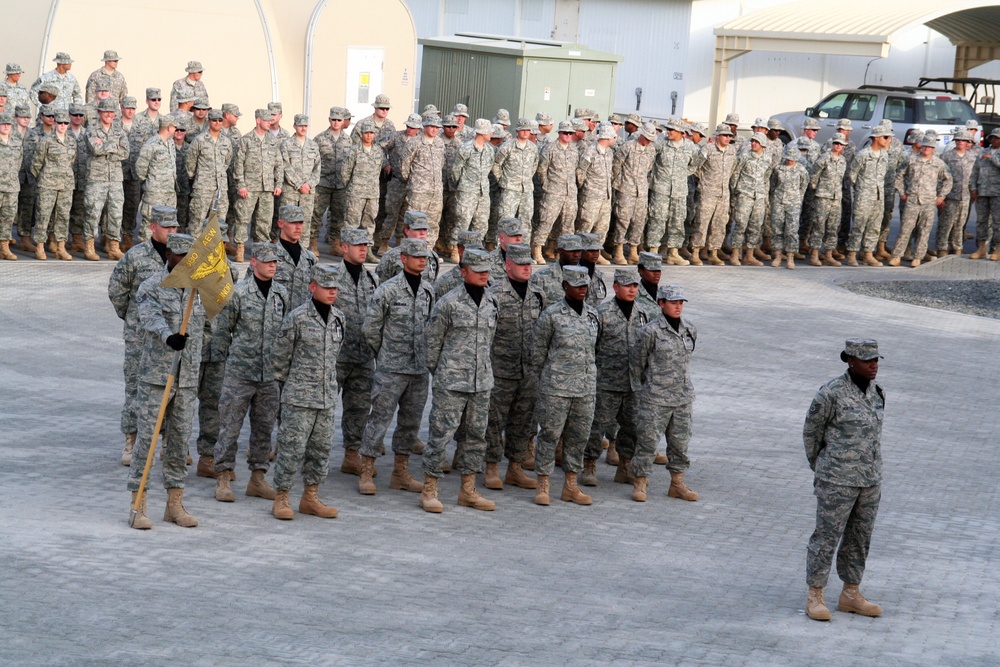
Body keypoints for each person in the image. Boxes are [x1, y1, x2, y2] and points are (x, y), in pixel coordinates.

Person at [126, 232, 205, 529]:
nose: (185, 262)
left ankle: (174, 503)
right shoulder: (152, 286)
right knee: (146, 440)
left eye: (190, 257)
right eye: (180, 256)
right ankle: (138, 505)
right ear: (169, 255)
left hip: (186, 378)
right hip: (158, 376)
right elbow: (149, 318)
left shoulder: (197, 288)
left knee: (179, 441)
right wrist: (168, 337)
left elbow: (208, 326)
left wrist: (194, 351)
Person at [803, 339, 885, 621]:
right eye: (867, 360)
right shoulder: (831, 393)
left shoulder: (877, 393)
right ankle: (815, 595)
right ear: (851, 361)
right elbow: (811, 434)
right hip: (836, 479)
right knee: (826, 537)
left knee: (859, 538)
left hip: (869, 479)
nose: (874, 365)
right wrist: (823, 468)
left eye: (876, 360)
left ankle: (851, 593)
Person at [420, 248, 500, 512]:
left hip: (481, 383)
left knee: (476, 438)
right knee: (440, 436)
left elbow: (490, 341)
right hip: (451, 383)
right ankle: (429, 489)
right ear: (464, 272)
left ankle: (468, 490)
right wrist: (443, 373)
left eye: (486, 271)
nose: (483, 275)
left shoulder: (492, 302)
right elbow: (431, 345)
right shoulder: (448, 303)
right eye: (477, 271)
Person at [358, 238, 435, 496]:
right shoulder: (388, 290)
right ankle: (366, 471)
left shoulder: (428, 291)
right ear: (404, 259)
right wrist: (385, 353)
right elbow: (371, 328)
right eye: (416, 256)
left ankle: (400, 473)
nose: (422, 260)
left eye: (424, 257)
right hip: (391, 369)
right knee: (378, 420)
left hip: (418, 370)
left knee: (410, 424)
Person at [212, 243, 288, 501]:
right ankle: (223, 477)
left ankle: (258, 478)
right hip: (240, 374)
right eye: (267, 262)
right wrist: (228, 366)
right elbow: (223, 332)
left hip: (269, 376)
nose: (272, 266)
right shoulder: (239, 293)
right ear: (253, 263)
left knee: (264, 428)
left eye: (275, 262)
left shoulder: (281, 294)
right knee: (229, 428)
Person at [269, 263, 346, 520]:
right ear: (313, 287)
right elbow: (279, 359)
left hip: (326, 398)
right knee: (291, 448)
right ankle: (282, 497)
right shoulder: (297, 318)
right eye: (326, 287)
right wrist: (293, 385)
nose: (332, 292)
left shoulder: (338, 318)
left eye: (335, 287)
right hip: (299, 398)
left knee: (321, 449)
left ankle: (311, 497)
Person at [108, 206, 178, 465]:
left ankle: (169, 442)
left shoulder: (182, 258)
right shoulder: (136, 256)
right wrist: (132, 317)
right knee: (136, 388)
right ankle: (132, 440)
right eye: (167, 227)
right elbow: (117, 290)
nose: (172, 232)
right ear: (153, 226)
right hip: (141, 337)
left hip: (172, 336)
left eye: (175, 227)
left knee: (172, 389)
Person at [531, 265, 600, 506]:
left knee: (578, 437)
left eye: (585, 285)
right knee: (550, 435)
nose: (582, 289)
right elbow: (538, 352)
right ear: (564, 286)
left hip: (585, 389)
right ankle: (543, 484)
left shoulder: (593, 315)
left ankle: (571, 485)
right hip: (556, 389)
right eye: (577, 285)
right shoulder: (551, 315)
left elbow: (595, 350)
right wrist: (547, 380)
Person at [630, 284, 699, 503]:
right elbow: (638, 363)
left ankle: (677, 483)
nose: (678, 307)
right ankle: (640, 482)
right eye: (673, 302)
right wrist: (645, 389)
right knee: (647, 442)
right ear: (661, 304)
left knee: (680, 443)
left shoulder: (689, 328)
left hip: (682, 398)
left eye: (681, 303)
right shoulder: (650, 331)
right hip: (656, 398)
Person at [484, 243, 542, 491]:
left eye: (529, 264)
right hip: (500, 372)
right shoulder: (495, 294)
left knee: (522, 422)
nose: (526, 268)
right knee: (494, 423)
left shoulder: (537, 295)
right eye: (521, 264)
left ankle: (515, 469)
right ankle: (491, 468)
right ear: (508, 266)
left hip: (528, 372)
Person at [335, 228, 380, 477]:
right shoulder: (332, 276)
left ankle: (352, 454)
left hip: (363, 356)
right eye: (358, 245)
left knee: (359, 408)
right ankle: (307, 452)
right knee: (322, 407)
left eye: (365, 245)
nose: (363, 249)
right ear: (344, 247)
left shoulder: (371, 279)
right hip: (337, 356)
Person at [889, 130, 952, 268]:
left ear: (933, 148)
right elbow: (899, 176)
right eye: (924, 146)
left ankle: (918, 257)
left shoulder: (938, 163)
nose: (926, 148)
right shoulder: (911, 160)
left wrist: (941, 196)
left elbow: (948, 180)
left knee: (924, 231)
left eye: (929, 146)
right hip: (912, 201)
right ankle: (897, 256)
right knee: (905, 229)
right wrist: (902, 193)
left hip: (929, 202)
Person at [82, 98, 129, 260]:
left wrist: (105, 145)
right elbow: (95, 149)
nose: (109, 114)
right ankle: (89, 246)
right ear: (99, 112)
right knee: (93, 213)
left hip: (115, 179)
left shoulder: (119, 130)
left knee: (116, 214)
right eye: (106, 111)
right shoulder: (91, 129)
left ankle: (113, 246)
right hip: (96, 178)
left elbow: (125, 152)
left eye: (111, 112)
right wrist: (113, 146)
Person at [234, 109, 283, 252]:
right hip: (249, 186)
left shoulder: (272, 141)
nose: (270, 122)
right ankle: (240, 247)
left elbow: (278, 164)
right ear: (258, 120)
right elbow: (238, 164)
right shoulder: (246, 140)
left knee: (265, 220)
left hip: (267, 187)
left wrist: (278, 184)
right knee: (243, 217)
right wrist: (241, 185)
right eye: (266, 120)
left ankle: (261, 247)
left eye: (270, 120)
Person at [31, 110, 77, 260]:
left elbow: (72, 161)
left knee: (63, 216)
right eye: (60, 122)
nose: (63, 125)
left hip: (66, 185)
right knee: (43, 215)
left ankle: (61, 248)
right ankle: (39, 247)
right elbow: (36, 163)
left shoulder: (71, 141)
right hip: (47, 184)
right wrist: (44, 178)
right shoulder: (46, 141)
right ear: (55, 123)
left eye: (65, 123)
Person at [610, 121, 656, 265]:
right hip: (626, 190)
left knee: (639, 221)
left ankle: (633, 251)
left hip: (641, 191)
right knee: (623, 221)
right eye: (647, 138)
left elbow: (649, 168)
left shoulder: (651, 150)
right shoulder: (627, 147)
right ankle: (618, 250)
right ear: (641, 134)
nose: (648, 142)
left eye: (651, 140)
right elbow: (616, 167)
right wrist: (619, 185)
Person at [533, 120, 579, 263]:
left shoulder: (574, 150)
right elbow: (541, 169)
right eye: (565, 132)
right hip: (553, 192)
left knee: (568, 225)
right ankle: (537, 249)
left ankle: (564, 253)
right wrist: (546, 185)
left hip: (570, 193)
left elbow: (576, 170)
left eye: (570, 133)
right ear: (559, 133)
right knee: (546, 221)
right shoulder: (550, 148)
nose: (567, 135)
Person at [449, 118, 495, 262]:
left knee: (481, 223)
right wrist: (460, 186)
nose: (491, 133)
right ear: (482, 132)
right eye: (489, 131)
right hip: (467, 191)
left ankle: (475, 250)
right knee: (463, 221)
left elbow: (490, 168)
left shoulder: (489, 149)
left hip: (483, 192)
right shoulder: (466, 148)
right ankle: (455, 249)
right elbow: (456, 170)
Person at [846, 125, 891, 267]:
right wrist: (861, 189)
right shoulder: (863, 155)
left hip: (878, 196)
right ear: (876, 138)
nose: (888, 140)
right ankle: (852, 254)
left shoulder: (884, 155)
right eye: (885, 137)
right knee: (859, 226)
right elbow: (852, 174)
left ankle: (868, 254)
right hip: (864, 196)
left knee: (874, 226)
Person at [692, 124, 737, 265]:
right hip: (708, 193)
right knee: (702, 223)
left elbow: (732, 169)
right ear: (717, 135)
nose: (728, 138)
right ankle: (695, 252)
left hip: (724, 193)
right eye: (725, 135)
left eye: (729, 136)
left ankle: (713, 253)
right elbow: (695, 167)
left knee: (719, 224)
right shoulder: (708, 149)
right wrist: (705, 182)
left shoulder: (732, 151)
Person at [341, 118, 386, 259]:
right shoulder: (354, 151)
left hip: (372, 193)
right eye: (366, 132)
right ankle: (348, 250)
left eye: (371, 133)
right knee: (352, 223)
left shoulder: (378, 151)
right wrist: (351, 187)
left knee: (369, 223)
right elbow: (345, 172)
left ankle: (368, 251)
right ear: (361, 134)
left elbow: (379, 169)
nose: (369, 135)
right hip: (356, 193)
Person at [185, 108, 233, 237]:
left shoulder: (226, 142)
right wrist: (198, 178)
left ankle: (212, 252)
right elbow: (190, 163)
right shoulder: (199, 140)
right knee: (197, 220)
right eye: (214, 120)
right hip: (202, 188)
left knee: (219, 222)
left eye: (220, 120)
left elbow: (226, 163)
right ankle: (193, 253)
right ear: (209, 121)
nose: (217, 123)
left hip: (220, 189)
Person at [312, 106, 353, 254]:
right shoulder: (320, 139)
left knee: (338, 215)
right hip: (323, 183)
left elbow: (350, 163)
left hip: (340, 184)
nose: (336, 122)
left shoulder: (348, 140)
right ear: (329, 120)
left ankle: (335, 245)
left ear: (343, 121)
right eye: (333, 119)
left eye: (339, 120)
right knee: (316, 214)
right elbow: (313, 162)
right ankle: (313, 244)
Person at [729, 132, 773, 266]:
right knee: (741, 224)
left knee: (755, 226)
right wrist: (735, 192)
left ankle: (749, 255)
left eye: (756, 142)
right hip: (744, 195)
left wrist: (764, 195)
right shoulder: (744, 157)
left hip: (759, 196)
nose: (753, 144)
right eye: (752, 141)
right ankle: (735, 254)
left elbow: (766, 177)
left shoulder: (767, 159)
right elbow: (735, 175)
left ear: (763, 144)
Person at [401, 115, 446, 247]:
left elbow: (441, 164)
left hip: (436, 191)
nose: (434, 130)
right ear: (425, 126)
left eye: (437, 127)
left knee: (433, 222)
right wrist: (414, 183)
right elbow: (405, 166)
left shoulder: (439, 143)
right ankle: (412, 249)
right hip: (418, 191)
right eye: (432, 126)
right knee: (414, 222)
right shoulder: (414, 143)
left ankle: (429, 250)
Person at [808, 133, 848, 267]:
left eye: (841, 144)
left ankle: (829, 254)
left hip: (836, 198)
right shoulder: (824, 158)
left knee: (833, 227)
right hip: (823, 197)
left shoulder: (842, 161)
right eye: (836, 143)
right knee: (819, 226)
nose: (838, 146)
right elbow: (814, 175)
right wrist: (816, 189)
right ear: (832, 144)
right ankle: (814, 254)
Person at [279, 114, 321, 241]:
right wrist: (299, 184)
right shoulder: (286, 144)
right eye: (300, 125)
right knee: (288, 220)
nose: (303, 128)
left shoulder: (313, 145)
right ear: (294, 126)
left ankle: (303, 250)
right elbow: (285, 166)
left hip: (307, 191)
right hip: (291, 191)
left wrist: (309, 185)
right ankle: (286, 249)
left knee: (305, 220)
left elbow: (317, 168)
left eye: (305, 125)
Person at [576, 124, 616, 253]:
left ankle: (595, 252)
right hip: (591, 196)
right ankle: (580, 250)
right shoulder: (590, 151)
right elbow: (581, 172)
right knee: (586, 224)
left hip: (605, 196)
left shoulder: (609, 153)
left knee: (602, 226)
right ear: (608, 137)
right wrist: (586, 188)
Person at [769, 145, 809, 270]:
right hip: (778, 202)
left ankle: (790, 256)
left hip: (793, 204)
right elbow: (773, 185)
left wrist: (797, 199)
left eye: (792, 158)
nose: (790, 160)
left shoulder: (801, 170)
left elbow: (803, 186)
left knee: (791, 231)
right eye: (788, 158)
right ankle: (778, 256)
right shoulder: (778, 169)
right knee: (777, 230)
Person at [135, 116, 178, 232]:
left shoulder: (170, 143)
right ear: (169, 128)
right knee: (150, 224)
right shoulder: (151, 144)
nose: (176, 130)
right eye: (175, 127)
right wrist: (150, 183)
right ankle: (146, 248)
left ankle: (162, 249)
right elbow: (140, 167)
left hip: (169, 192)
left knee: (167, 224)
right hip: (154, 192)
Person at [272, 205, 319, 309]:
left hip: (302, 320)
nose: (298, 227)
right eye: (293, 222)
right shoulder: (269, 256)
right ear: (281, 224)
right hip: (277, 319)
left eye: (301, 222)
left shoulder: (310, 259)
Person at [937, 129, 976, 256]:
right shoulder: (947, 156)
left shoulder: (972, 157)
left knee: (960, 224)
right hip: (949, 196)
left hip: (965, 196)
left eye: (963, 140)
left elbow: (973, 177)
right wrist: (940, 196)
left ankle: (957, 247)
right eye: (958, 140)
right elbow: (939, 177)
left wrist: (974, 191)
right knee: (946, 224)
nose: (960, 142)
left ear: (968, 142)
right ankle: (942, 248)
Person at [375, 210, 440, 283]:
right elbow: (380, 286)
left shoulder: (432, 256)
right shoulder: (391, 257)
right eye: (417, 229)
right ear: (406, 231)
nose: (422, 233)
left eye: (424, 229)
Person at [970, 128, 1000, 259]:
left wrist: (992, 158)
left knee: (997, 221)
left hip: (997, 192)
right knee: (981, 220)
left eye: (997, 138)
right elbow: (975, 171)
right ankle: (982, 247)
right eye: (992, 137)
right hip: (982, 191)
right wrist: (973, 188)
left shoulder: (992, 154)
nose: (994, 140)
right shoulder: (983, 151)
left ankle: (998, 248)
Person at [0, 111, 22, 261]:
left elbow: (19, 163)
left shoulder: (16, 142)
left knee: (8, 218)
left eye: (9, 124)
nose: (6, 126)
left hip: (11, 186)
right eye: (3, 124)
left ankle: (4, 247)